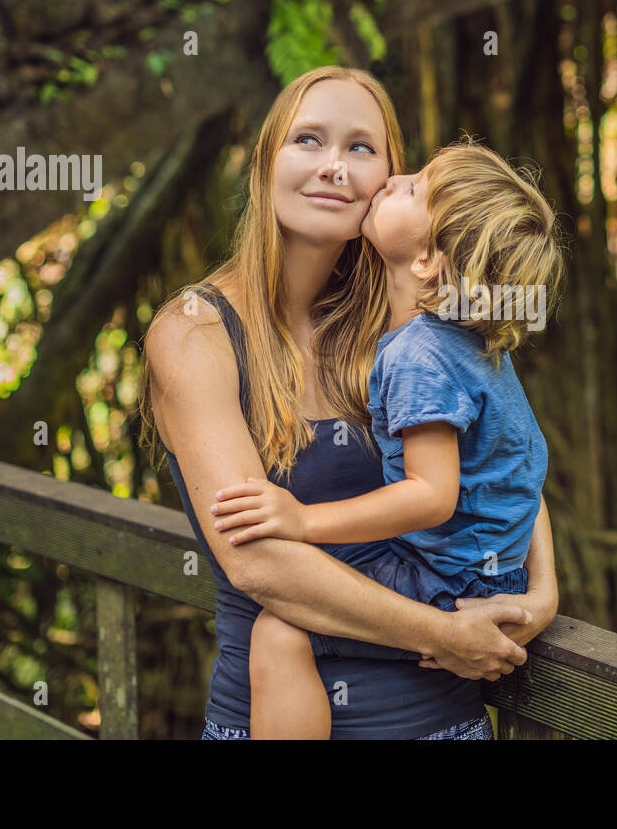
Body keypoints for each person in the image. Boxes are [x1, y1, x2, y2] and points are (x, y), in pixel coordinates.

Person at [139, 67, 559, 739]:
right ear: (264, 164)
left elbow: (502, 458)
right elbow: (257, 556)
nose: (334, 166)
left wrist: (541, 594)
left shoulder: (419, 324)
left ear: (388, 179)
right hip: (268, 715)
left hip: (441, 724)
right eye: (309, 140)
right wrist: (445, 633)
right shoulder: (196, 333)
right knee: (280, 632)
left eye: (361, 148)